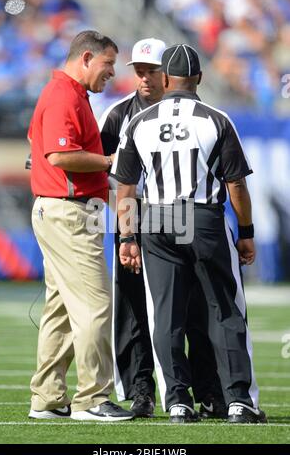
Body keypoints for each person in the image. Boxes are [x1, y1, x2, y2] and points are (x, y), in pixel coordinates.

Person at [112, 43, 267, 424]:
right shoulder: (216, 118)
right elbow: (237, 187)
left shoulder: (139, 121)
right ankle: (237, 401)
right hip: (202, 217)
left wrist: (128, 238)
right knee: (225, 310)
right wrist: (246, 231)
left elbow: (126, 190)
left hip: (158, 219)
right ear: (199, 78)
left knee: (165, 315)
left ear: (164, 79)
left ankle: (178, 401)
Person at [100, 38, 227, 419]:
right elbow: (110, 174)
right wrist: (127, 231)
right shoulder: (118, 114)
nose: (143, 78)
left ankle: (205, 391)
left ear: (168, 75)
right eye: (138, 71)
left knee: (194, 309)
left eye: (151, 71)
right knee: (135, 310)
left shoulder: (199, 114)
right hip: (136, 219)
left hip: (179, 215)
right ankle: (143, 391)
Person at [27, 30, 133, 422]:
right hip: (68, 212)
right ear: (85, 57)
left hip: (59, 209)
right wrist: (111, 163)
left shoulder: (69, 95)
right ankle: (93, 398)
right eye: (107, 64)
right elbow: (59, 154)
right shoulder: (63, 95)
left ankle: (48, 396)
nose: (112, 73)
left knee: (59, 308)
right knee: (94, 305)